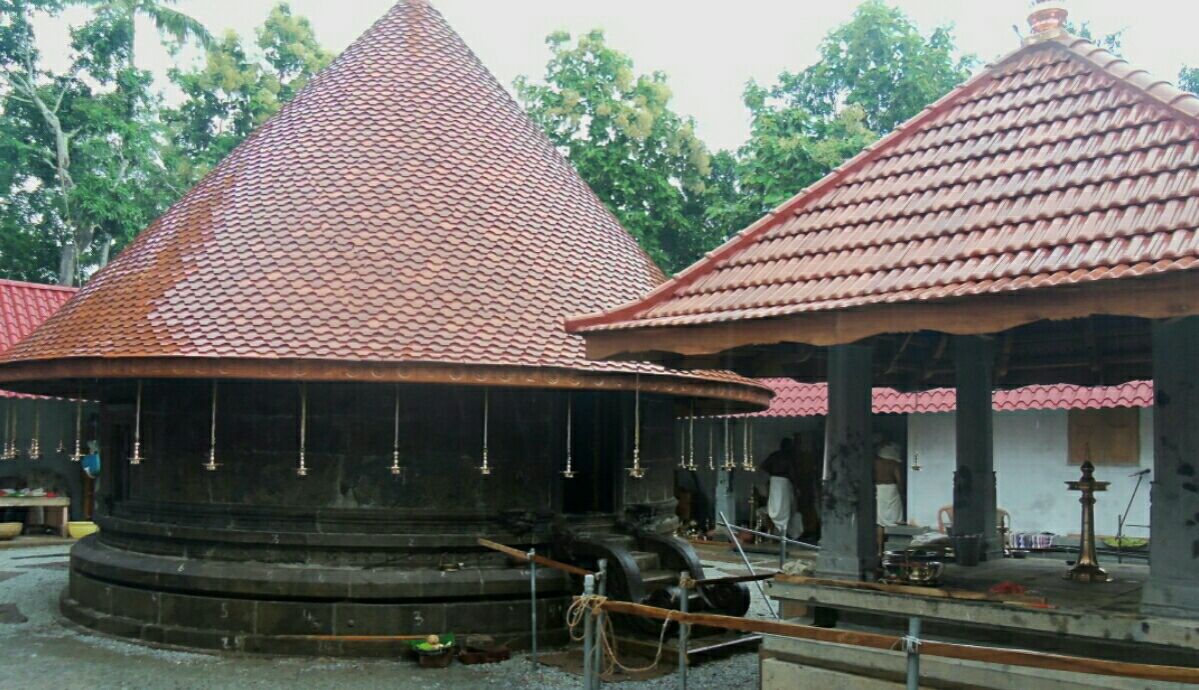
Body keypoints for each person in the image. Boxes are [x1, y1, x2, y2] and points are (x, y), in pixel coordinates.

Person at [760, 438, 803, 540]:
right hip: (783, 482)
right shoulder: (788, 457)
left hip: (775, 481)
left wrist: (772, 473)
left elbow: (763, 466)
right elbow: (793, 474)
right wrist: (796, 487)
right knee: (783, 506)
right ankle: (781, 530)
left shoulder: (775, 455)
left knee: (780, 506)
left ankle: (780, 530)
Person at [875, 442, 904, 555]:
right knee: (895, 518)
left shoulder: (876, 463)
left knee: (880, 522)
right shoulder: (894, 464)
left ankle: (879, 550)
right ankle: (893, 548)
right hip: (891, 490)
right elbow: (899, 481)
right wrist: (902, 492)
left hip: (879, 490)